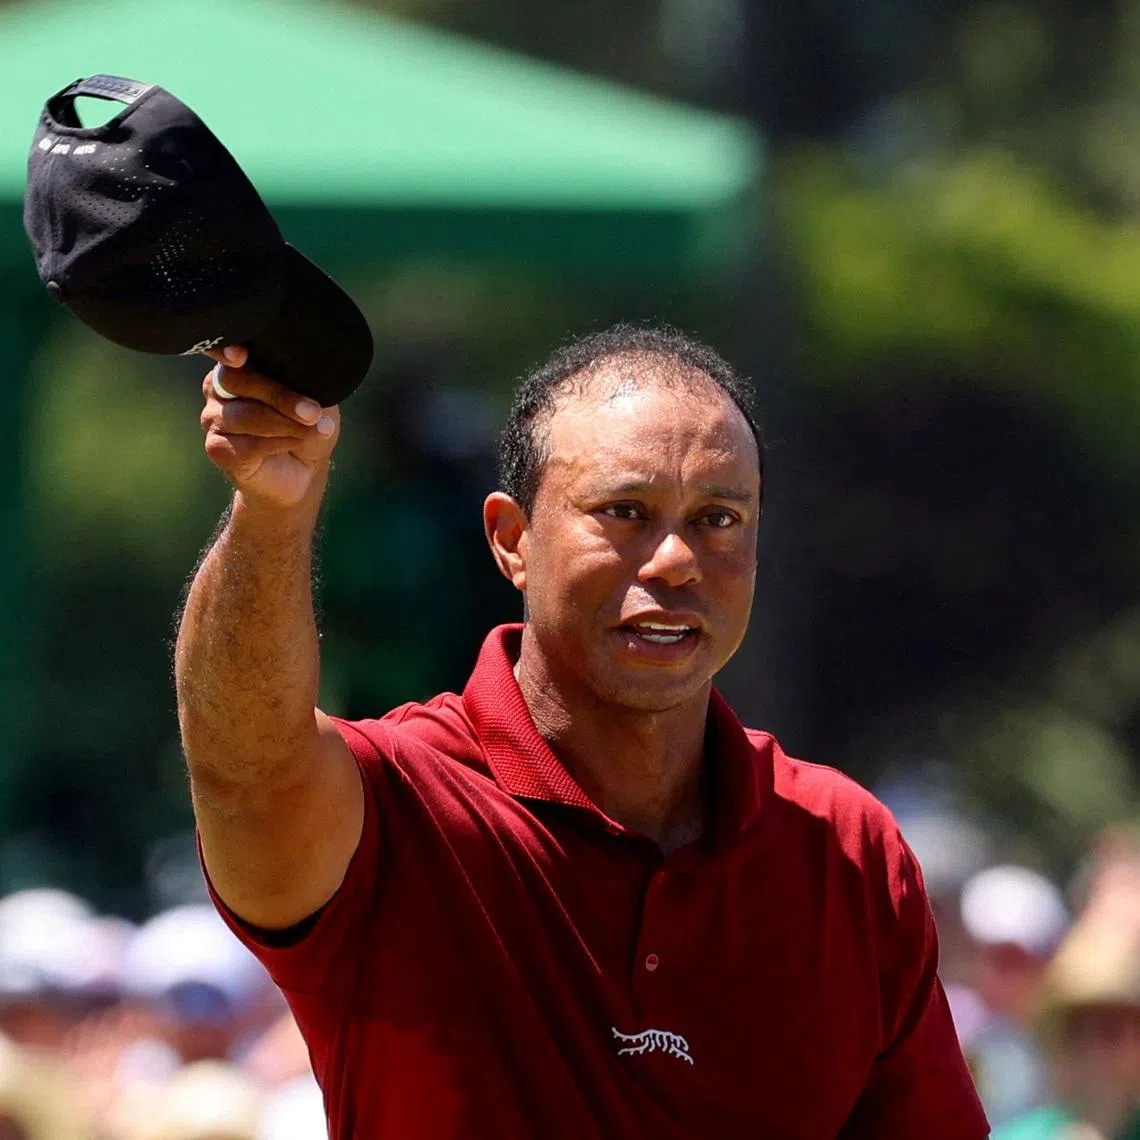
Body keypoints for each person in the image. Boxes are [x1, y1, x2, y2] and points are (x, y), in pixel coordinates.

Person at [175, 324, 989, 1138]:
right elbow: (245, 766)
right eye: (625, 512)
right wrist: (270, 512)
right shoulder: (396, 806)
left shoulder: (846, 850)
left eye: (718, 518)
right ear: (511, 540)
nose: (675, 560)